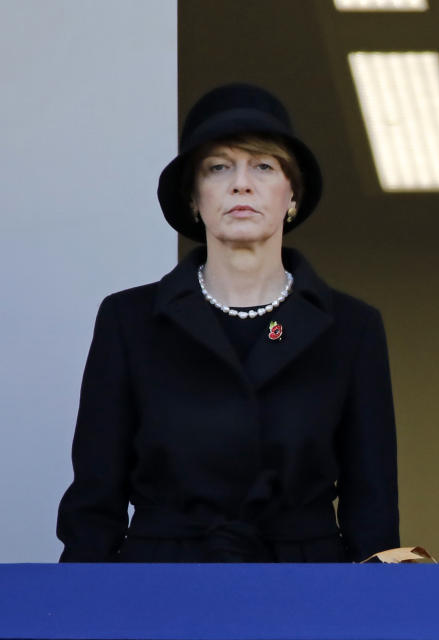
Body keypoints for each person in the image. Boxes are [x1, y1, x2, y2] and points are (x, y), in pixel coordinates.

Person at [57, 84, 400, 562]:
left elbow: (373, 503)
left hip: (307, 583)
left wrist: (373, 612)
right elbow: (95, 498)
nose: (242, 184)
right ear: (195, 199)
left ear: (292, 194)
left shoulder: (352, 328)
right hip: (161, 580)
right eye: (219, 168)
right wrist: (81, 611)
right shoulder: (128, 320)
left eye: (263, 166)